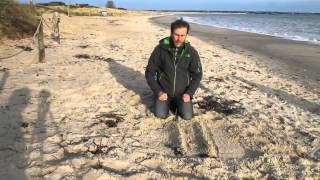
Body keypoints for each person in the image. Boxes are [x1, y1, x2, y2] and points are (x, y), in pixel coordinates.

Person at [145, 19, 202, 120]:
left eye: (182, 35)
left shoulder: (192, 52)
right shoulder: (160, 49)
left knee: (187, 116)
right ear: (171, 33)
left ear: (186, 34)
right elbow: (149, 73)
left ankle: (176, 104)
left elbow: (197, 75)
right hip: (164, 92)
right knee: (161, 115)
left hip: (182, 94)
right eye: (176, 35)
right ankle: (165, 102)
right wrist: (158, 92)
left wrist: (189, 93)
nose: (179, 39)